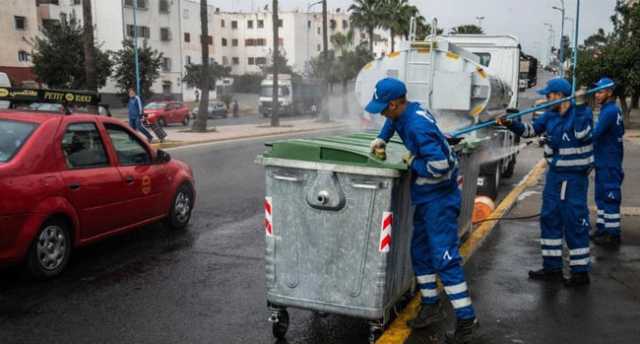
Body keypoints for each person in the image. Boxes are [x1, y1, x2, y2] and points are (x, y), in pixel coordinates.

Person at [367, 78, 478, 343]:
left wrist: (413, 161)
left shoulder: (416, 126)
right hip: (427, 198)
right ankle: (431, 305)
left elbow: (440, 166)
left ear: (394, 103)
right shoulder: (408, 111)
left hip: (440, 199)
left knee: (445, 258)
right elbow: (393, 123)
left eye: (383, 107)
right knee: (419, 251)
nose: (381, 112)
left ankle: (466, 319)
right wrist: (380, 139)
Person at [497, 78, 593, 287]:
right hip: (555, 175)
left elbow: (582, 134)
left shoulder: (581, 114)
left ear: (560, 95)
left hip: (573, 178)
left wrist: (580, 106)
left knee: (574, 222)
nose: (546, 99)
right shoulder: (550, 115)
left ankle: (580, 272)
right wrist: (510, 123)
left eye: (549, 95)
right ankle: (552, 268)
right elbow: (530, 130)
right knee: (549, 219)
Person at [591, 77, 624, 247]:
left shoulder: (609, 111)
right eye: (596, 91)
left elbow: (594, 135)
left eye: (600, 91)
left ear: (610, 93)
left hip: (609, 163)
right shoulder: (610, 109)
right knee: (601, 198)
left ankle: (613, 234)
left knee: (610, 198)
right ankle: (602, 229)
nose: (596, 95)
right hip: (604, 161)